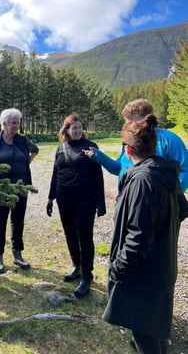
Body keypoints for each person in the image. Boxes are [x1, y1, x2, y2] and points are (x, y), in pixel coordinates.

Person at [102, 114, 188, 354]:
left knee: (146, 337)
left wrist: (118, 269)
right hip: (161, 269)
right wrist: (162, 229)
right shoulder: (165, 173)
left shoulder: (143, 180)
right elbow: (182, 209)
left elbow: (137, 239)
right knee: (153, 331)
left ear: (128, 150)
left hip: (144, 276)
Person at [46, 114, 106, 298]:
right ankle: (77, 266)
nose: (78, 131)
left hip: (85, 199)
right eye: (74, 128)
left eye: (80, 127)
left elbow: (98, 176)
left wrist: (100, 202)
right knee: (70, 233)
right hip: (64, 198)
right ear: (67, 131)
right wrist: (50, 198)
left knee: (85, 236)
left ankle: (87, 276)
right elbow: (56, 173)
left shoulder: (91, 147)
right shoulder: (60, 148)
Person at [85, 98, 188, 192]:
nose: (128, 128)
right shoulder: (130, 139)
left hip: (157, 207)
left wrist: (169, 196)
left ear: (147, 120)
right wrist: (99, 157)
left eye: (132, 123)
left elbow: (185, 170)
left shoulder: (169, 140)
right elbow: (119, 168)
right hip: (128, 200)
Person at [0, 108, 39, 273]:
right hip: (1, 189)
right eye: (14, 123)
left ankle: (17, 254)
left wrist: (28, 160)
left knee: (18, 221)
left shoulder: (22, 139)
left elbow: (35, 149)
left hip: (21, 186)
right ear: (4, 123)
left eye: (18, 123)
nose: (16, 126)